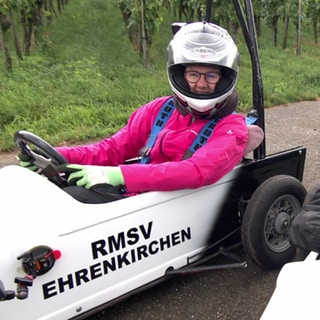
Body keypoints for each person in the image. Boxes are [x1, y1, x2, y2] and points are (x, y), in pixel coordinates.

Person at [19, 21, 264, 204]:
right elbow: (113, 149)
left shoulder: (232, 128)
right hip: (138, 196)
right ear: (180, 74)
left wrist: (121, 175)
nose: (201, 84)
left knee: (71, 201)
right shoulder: (160, 109)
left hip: (173, 203)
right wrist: (56, 155)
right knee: (47, 194)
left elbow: (196, 170)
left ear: (224, 78)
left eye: (211, 75)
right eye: (193, 74)